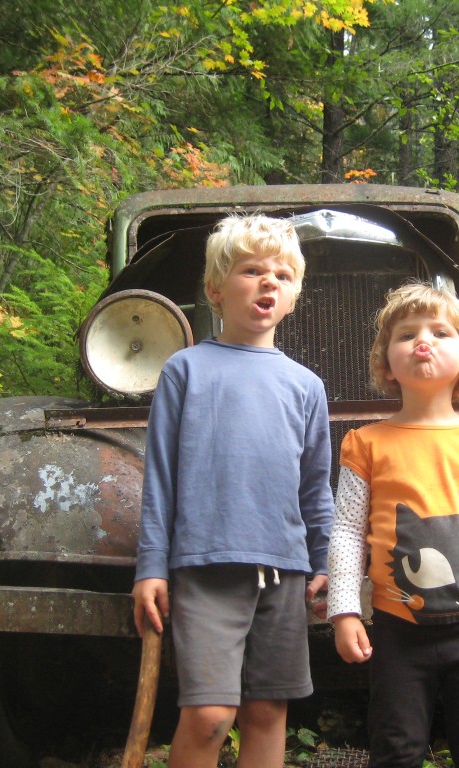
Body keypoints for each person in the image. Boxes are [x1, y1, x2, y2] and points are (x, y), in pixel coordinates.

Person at [132, 213, 334, 768]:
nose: (268, 283)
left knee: (268, 714)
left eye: (282, 276)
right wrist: (151, 567)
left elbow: (316, 484)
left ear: (294, 295)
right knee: (210, 715)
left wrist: (324, 556)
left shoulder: (306, 386)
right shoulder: (185, 370)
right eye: (251, 271)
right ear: (216, 289)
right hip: (205, 568)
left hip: (284, 570)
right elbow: (160, 477)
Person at [326, 282, 459, 768]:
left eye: (440, 332)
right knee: (396, 751)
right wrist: (343, 610)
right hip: (399, 630)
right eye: (407, 335)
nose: (423, 341)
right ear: (386, 361)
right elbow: (345, 531)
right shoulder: (365, 444)